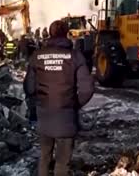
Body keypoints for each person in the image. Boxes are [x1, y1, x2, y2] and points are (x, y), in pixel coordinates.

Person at [23, 20, 94, 176]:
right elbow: (87, 89)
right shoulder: (75, 57)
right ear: (67, 33)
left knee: (44, 157)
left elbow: (28, 87)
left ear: (49, 33)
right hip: (66, 118)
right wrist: (74, 104)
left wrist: (39, 102)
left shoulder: (37, 56)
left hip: (44, 116)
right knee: (62, 162)